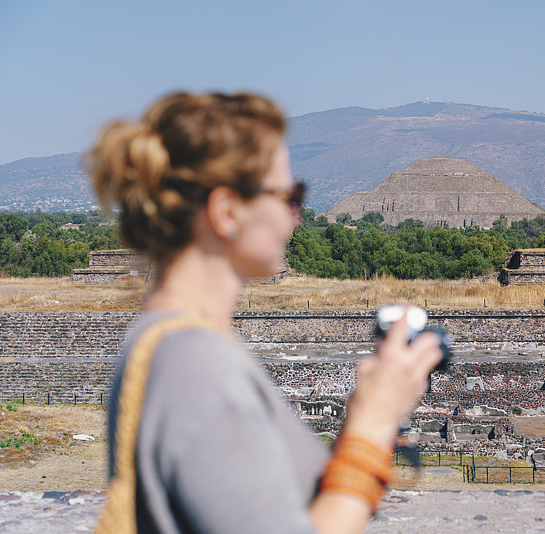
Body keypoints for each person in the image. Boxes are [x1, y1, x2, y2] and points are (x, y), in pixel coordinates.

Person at [88, 91, 443, 534]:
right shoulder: (195, 364)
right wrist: (372, 428)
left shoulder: (174, 342)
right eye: (290, 195)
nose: (295, 217)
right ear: (228, 211)